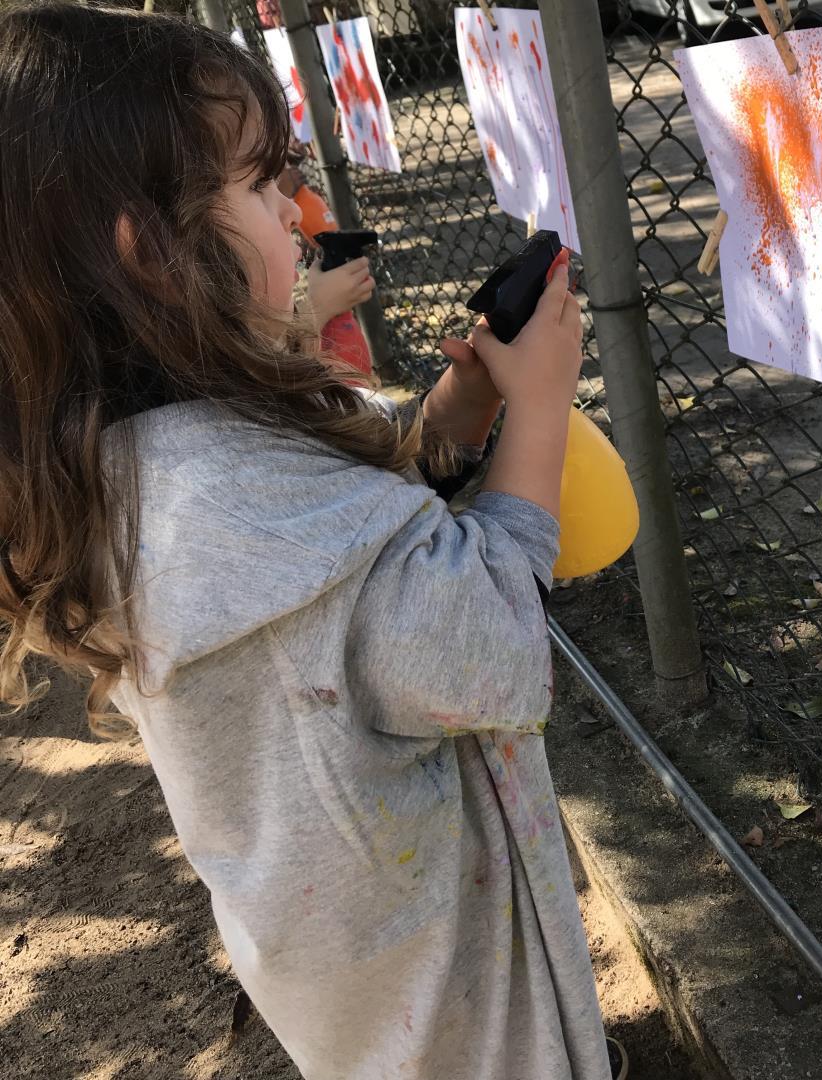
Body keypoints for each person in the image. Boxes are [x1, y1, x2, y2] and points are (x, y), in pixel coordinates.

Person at [0, 5, 627, 1079]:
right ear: (147, 251)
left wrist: (456, 420)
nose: (299, 213)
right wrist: (538, 411)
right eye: (259, 184)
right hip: (445, 990)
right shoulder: (228, 501)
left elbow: (346, 575)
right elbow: (488, 648)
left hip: (348, 960)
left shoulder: (138, 454)